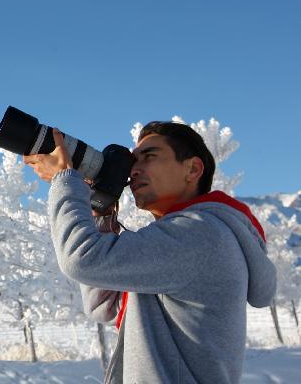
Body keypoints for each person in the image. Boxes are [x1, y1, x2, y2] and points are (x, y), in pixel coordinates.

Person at [24, 122, 276, 384]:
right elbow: (103, 305)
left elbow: (80, 260)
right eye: (133, 161)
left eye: (150, 157)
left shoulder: (199, 233)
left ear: (192, 169)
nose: (133, 170)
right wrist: (101, 213)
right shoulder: (182, 240)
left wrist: (65, 179)